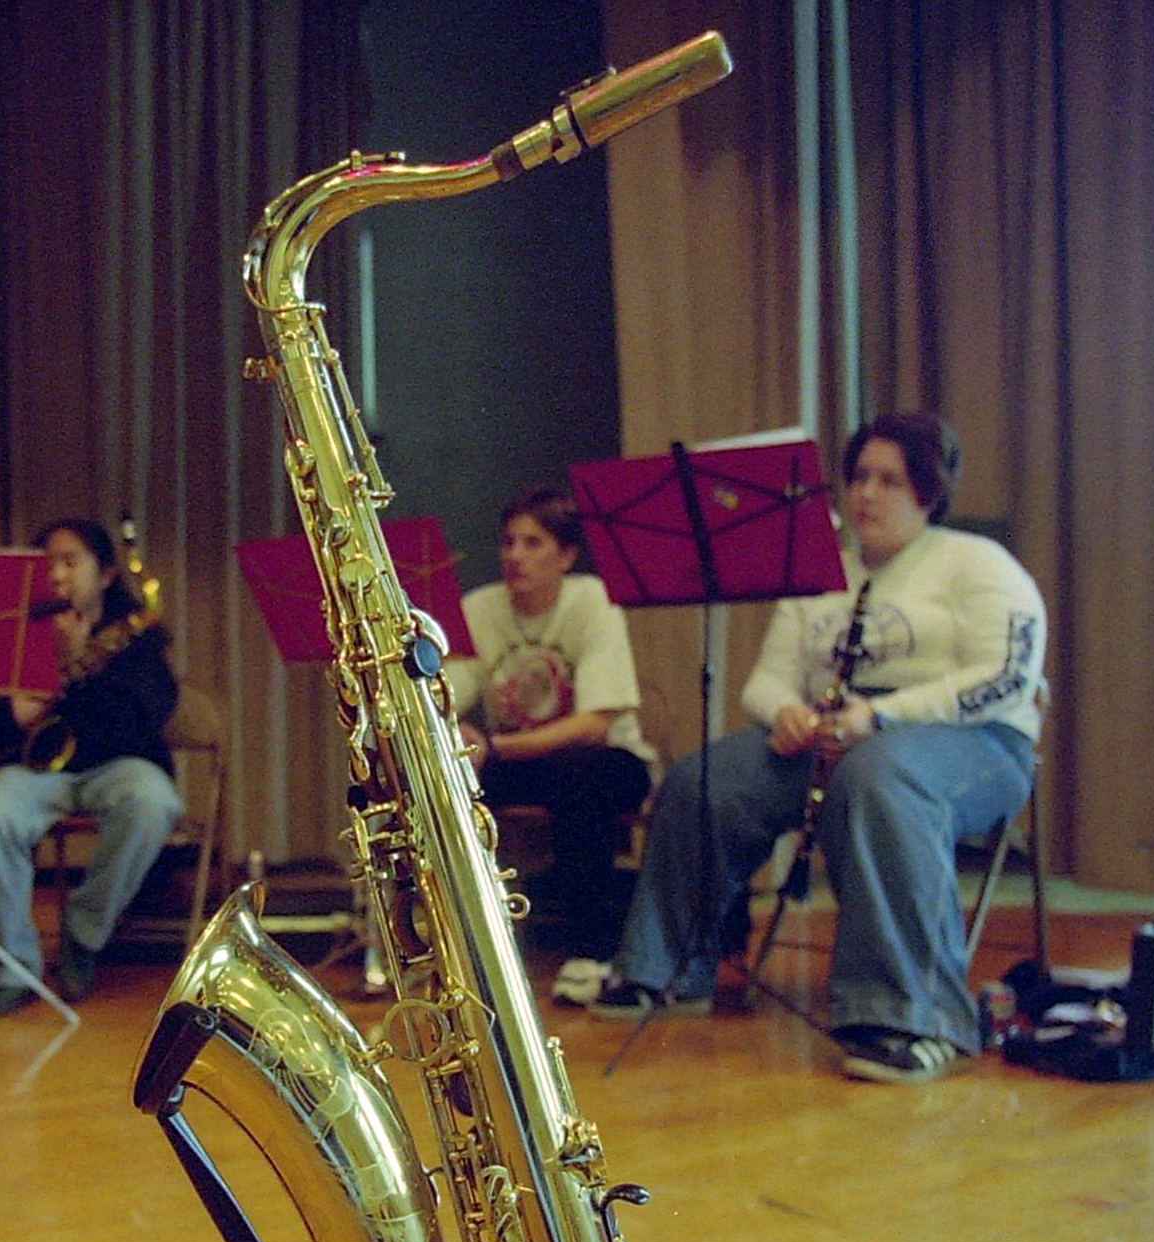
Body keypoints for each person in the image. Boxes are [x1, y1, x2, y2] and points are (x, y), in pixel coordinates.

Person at [590, 413, 1046, 1083]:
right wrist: (787, 713)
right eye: (858, 477)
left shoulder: (978, 564)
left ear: (929, 493)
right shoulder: (820, 570)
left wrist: (880, 716)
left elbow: (1006, 677)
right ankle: (665, 972)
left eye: (889, 481)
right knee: (704, 779)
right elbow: (767, 681)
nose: (866, 494)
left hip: (972, 742)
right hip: (834, 738)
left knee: (879, 775)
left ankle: (914, 1020)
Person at [0, 518, 183, 1016]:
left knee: (154, 802)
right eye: (47, 564)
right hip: (33, 771)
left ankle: (83, 935)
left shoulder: (136, 638)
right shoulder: (10, 631)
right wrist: (13, 713)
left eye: (70, 562)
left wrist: (80, 661)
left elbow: (140, 722)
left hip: (115, 766)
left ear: (105, 574)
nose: (57, 575)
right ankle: (11, 968)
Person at [446, 485, 656, 981]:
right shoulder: (479, 608)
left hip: (606, 758)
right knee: (436, 777)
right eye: (508, 542)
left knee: (581, 775)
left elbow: (596, 724)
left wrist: (494, 746)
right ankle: (455, 948)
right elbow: (447, 693)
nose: (514, 556)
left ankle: (589, 952)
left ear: (565, 556)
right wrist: (451, 725)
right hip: (518, 760)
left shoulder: (593, 602)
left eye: (532, 543)